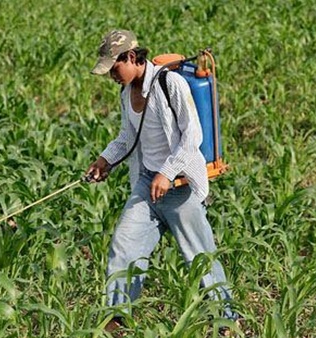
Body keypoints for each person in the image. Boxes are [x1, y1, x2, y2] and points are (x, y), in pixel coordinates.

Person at [86, 29, 239, 333]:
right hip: (146, 184)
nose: (111, 76)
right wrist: (105, 160)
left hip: (179, 187)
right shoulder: (126, 92)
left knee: (200, 257)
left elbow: (193, 135)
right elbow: (128, 138)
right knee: (124, 246)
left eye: (114, 68)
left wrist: (167, 172)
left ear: (131, 57)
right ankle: (118, 320)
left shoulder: (171, 84)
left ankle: (227, 320)